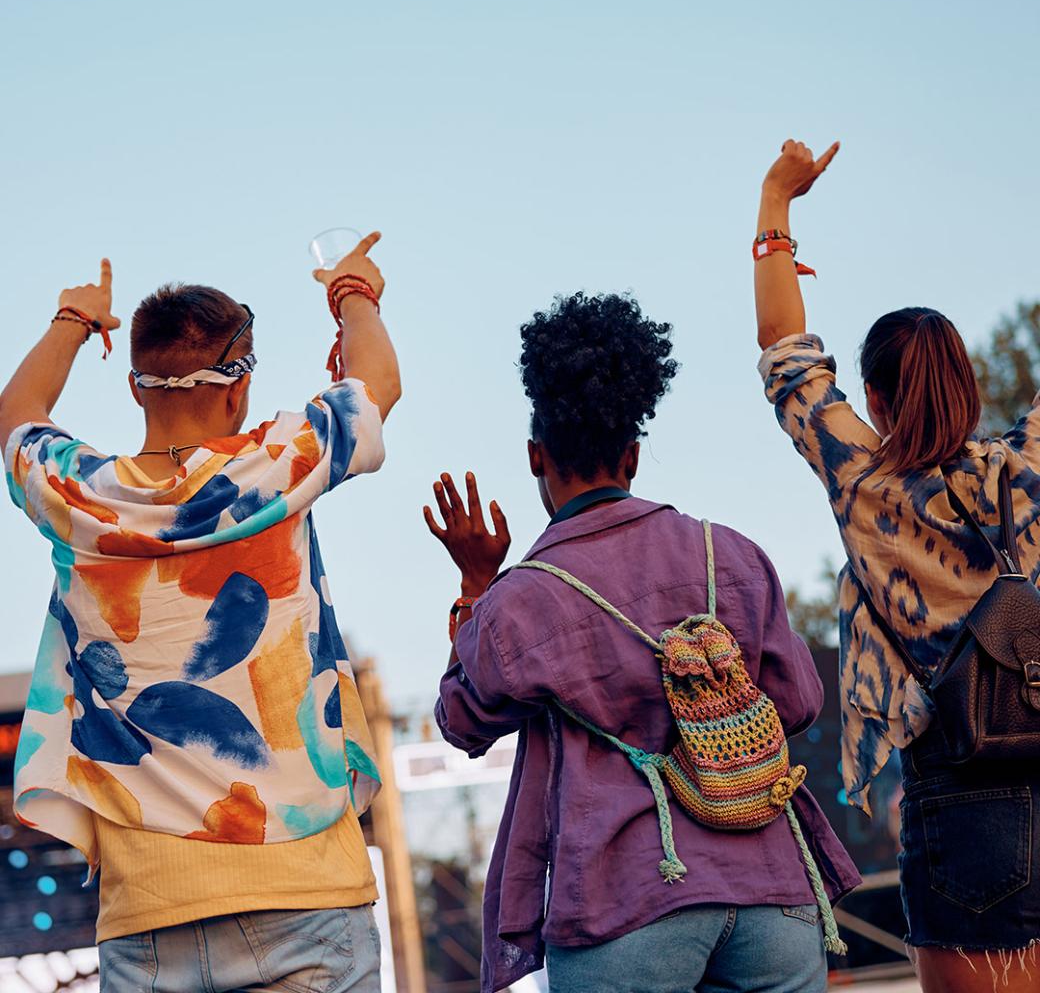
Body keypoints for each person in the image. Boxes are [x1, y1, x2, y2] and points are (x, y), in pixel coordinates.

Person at [424, 292, 859, 993]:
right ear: (632, 453)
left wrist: (476, 583)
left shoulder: (522, 597)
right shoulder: (732, 555)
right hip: (773, 890)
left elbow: (462, 721)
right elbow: (800, 703)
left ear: (537, 456)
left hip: (625, 904)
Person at [0, 233, 400, 992]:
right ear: (238, 389)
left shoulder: (76, 496)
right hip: (307, 893)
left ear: (135, 388)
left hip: (150, 915)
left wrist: (74, 318)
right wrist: (353, 290)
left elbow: (15, 412)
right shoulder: (280, 462)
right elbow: (378, 379)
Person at [753, 139, 1040, 991]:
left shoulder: (869, 491)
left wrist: (777, 201)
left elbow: (784, 352)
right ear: (970, 384)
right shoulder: (1023, 471)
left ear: (873, 400)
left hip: (963, 808)